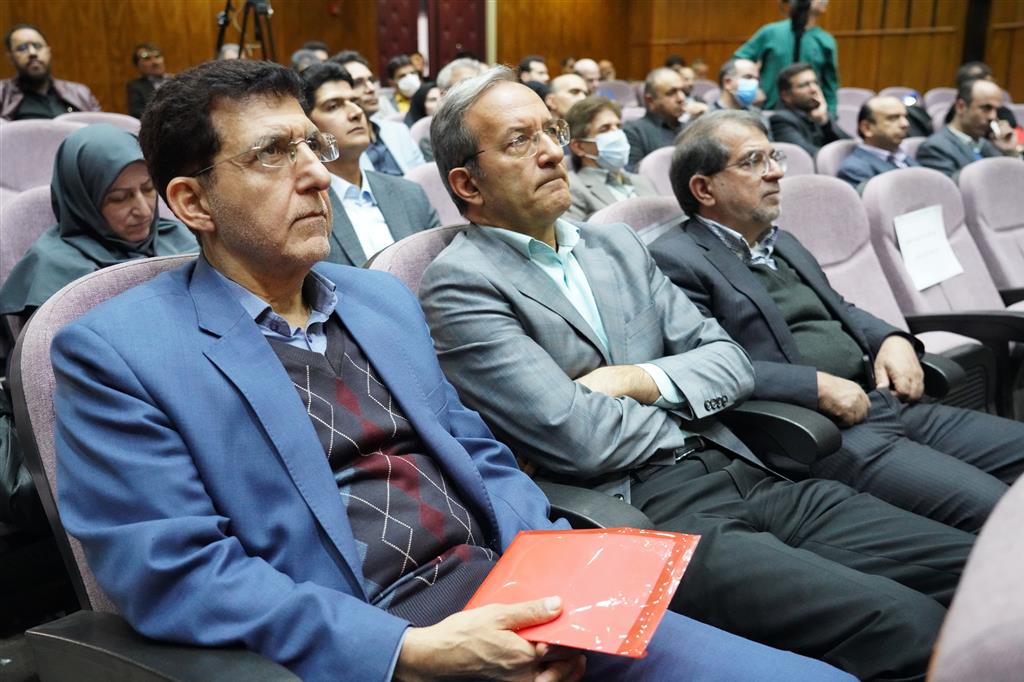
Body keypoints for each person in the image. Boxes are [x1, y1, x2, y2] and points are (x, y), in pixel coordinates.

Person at [51, 58, 852, 682]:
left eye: (311, 146)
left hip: (517, 598)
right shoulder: (117, 352)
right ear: (193, 203)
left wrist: (558, 598)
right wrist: (410, 652)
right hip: (367, 641)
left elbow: (483, 456)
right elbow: (177, 574)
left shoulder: (377, 300)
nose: (317, 174)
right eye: (271, 154)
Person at [418, 65, 976, 681]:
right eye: (520, 141)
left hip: (748, 466)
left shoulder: (614, 246)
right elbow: (580, 437)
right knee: (912, 628)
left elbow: (731, 361)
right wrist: (685, 398)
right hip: (651, 511)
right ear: (467, 183)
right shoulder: (461, 284)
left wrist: (636, 381)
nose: (552, 151)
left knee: (979, 570)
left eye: (552, 130)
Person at [648, 109, 1024, 533]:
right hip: (823, 431)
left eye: (774, 158)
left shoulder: (781, 242)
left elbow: (841, 308)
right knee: (1002, 512)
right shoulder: (676, 259)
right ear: (704, 188)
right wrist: (815, 387)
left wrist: (893, 339)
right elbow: (702, 366)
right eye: (753, 161)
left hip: (887, 400)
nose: (775, 173)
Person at [0, 124, 196, 319]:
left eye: (148, 188)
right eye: (119, 198)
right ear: (83, 203)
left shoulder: (179, 238)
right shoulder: (56, 276)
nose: (144, 211)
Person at [300, 62, 439, 266]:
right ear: (307, 128)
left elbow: (441, 269)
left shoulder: (411, 194)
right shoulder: (305, 210)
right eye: (333, 106)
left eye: (355, 101)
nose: (356, 112)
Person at [735, 0, 839, 113]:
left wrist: (830, 115)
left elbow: (830, 85)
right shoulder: (771, 32)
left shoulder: (825, 40)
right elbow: (739, 60)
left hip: (808, 113)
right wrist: (754, 87)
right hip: (770, 109)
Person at [330, 50, 424, 175]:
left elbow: (422, 179)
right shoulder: (341, 146)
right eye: (358, 83)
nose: (371, 89)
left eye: (371, 80)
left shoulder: (399, 131)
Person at [564, 96, 657, 221]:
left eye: (618, 126)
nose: (617, 134)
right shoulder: (572, 189)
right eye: (605, 129)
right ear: (579, 147)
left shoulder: (642, 181)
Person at [917, 78, 1018, 178]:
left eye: (996, 110)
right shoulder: (935, 148)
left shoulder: (989, 145)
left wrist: (1010, 152)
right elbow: (947, 186)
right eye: (986, 108)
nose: (993, 116)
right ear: (961, 107)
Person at [1, 23, 100, 120]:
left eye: (38, 46)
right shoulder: (2, 94)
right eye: (22, 48)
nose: (32, 53)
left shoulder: (80, 93)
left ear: (48, 51)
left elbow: (99, 127)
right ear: (11, 58)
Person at [836, 95, 919, 189]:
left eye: (905, 116)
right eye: (893, 118)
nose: (905, 124)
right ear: (867, 128)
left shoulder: (902, 156)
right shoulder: (855, 170)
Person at [770, 62, 850, 156]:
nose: (814, 89)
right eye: (804, 85)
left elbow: (850, 148)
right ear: (786, 96)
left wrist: (824, 122)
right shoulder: (780, 120)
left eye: (815, 83)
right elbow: (808, 156)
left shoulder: (820, 114)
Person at [624, 67, 685, 169]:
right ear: (650, 101)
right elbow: (632, 174)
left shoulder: (691, 129)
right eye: (671, 93)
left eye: (682, 91)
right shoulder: (633, 132)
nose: (681, 98)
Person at [126, 43, 168, 119]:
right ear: (137, 65)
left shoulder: (177, 80)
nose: (155, 62)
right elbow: (137, 112)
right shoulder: (136, 86)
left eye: (157, 56)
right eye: (147, 58)